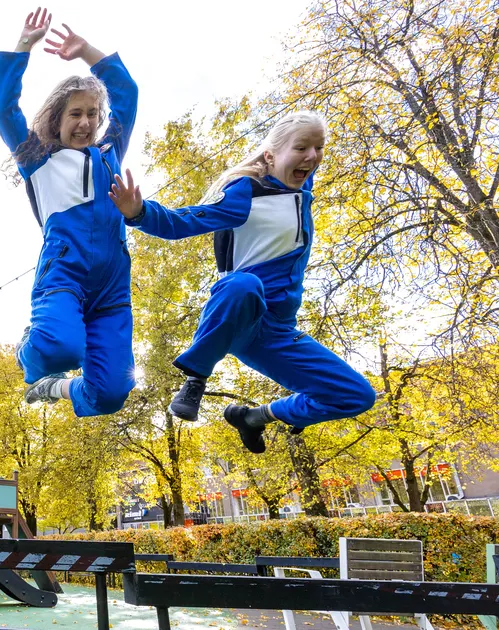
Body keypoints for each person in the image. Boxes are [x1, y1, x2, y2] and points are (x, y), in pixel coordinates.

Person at [108, 111, 377, 453]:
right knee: (243, 284)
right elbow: (185, 221)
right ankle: (196, 379)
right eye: (301, 148)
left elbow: (301, 170)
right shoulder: (246, 194)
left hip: (277, 331)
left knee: (357, 395)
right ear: (270, 156)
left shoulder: (300, 185)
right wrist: (139, 212)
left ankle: (254, 418)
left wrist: (304, 145)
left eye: (319, 148)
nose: (312, 157)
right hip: (240, 315)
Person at [0, 7, 139, 416]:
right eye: (75, 113)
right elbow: (6, 112)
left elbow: (127, 96)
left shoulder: (109, 152)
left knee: (112, 394)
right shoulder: (37, 158)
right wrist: (23, 45)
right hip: (64, 275)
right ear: (57, 118)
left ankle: (54, 389)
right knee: (59, 347)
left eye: (93, 114)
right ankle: (31, 353)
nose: (85, 122)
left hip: (112, 288)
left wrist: (88, 52)